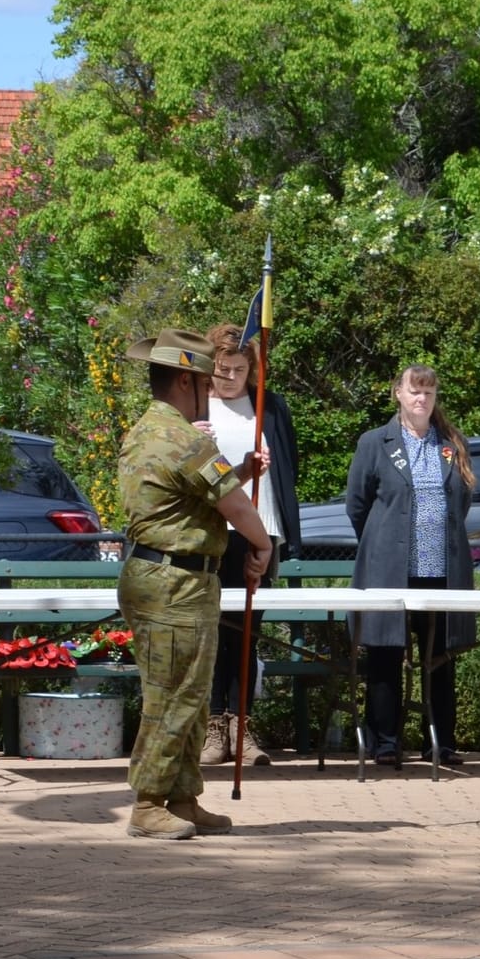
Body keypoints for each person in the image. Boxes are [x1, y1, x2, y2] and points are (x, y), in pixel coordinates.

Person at [117, 328, 273, 840]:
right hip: (175, 582)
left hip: (163, 576)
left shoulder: (148, 430)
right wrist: (263, 546)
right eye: (206, 382)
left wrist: (241, 471)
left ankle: (182, 798)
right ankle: (148, 804)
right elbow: (235, 508)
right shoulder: (187, 440)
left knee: (190, 694)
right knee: (173, 695)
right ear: (186, 381)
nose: (211, 390)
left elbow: (192, 497)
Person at [345, 365, 477, 768]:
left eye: (429, 393)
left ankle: (441, 742)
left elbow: (462, 503)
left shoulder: (451, 443)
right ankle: (385, 742)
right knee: (385, 654)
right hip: (390, 569)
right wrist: (383, 544)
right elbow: (357, 504)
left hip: (442, 571)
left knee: (440, 658)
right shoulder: (375, 442)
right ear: (398, 394)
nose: (422, 399)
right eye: (415, 391)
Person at [196, 322, 301, 767]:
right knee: (212, 630)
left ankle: (242, 726)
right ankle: (212, 727)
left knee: (246, 634)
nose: (230, 378)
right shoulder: (196, 406)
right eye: (222, 369)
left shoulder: (268, 407)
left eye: (239, 370)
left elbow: (290, 467)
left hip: (258, 530)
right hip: (210, 531)